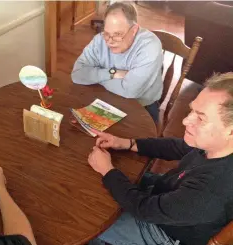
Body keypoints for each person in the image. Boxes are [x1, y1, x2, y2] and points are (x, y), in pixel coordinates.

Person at [87, 72, 233, 245]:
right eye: (192, 110)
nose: (186, 120)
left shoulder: (212, 190)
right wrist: (127, 143)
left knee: (87, 217)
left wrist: (107, 171)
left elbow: (144, 209)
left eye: (200, 118)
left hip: (164, 234)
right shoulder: (215, 146)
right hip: (165, 194)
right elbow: (177, 147)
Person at [71, 2, 163, 123]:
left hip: (142, 107)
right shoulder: (100, 40)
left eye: (118, 34)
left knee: (120, 140)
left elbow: (130, 91)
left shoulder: (150, 46)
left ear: (134, 30)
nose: (110, 41)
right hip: (106, 98)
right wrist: (112, 73)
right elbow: (77, 74)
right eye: (107, 33)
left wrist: (95, 76)